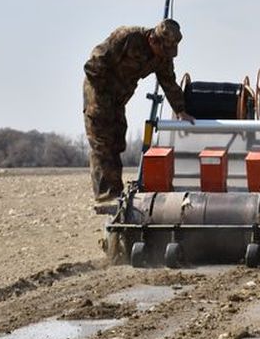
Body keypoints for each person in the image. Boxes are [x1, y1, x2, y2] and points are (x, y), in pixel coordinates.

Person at [83, 19, 195, 202]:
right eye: (165, 50)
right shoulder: (127, 37)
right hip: (99, 94)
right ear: (153, 40)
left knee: (117, 140)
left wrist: (180, 110)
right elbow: (93, 65)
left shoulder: (162, 58)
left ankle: (115, 192)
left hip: (119, 98)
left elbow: (169, 82)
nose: (166, 56)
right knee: (102, 143)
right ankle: (106, 195)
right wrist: (105, 94)